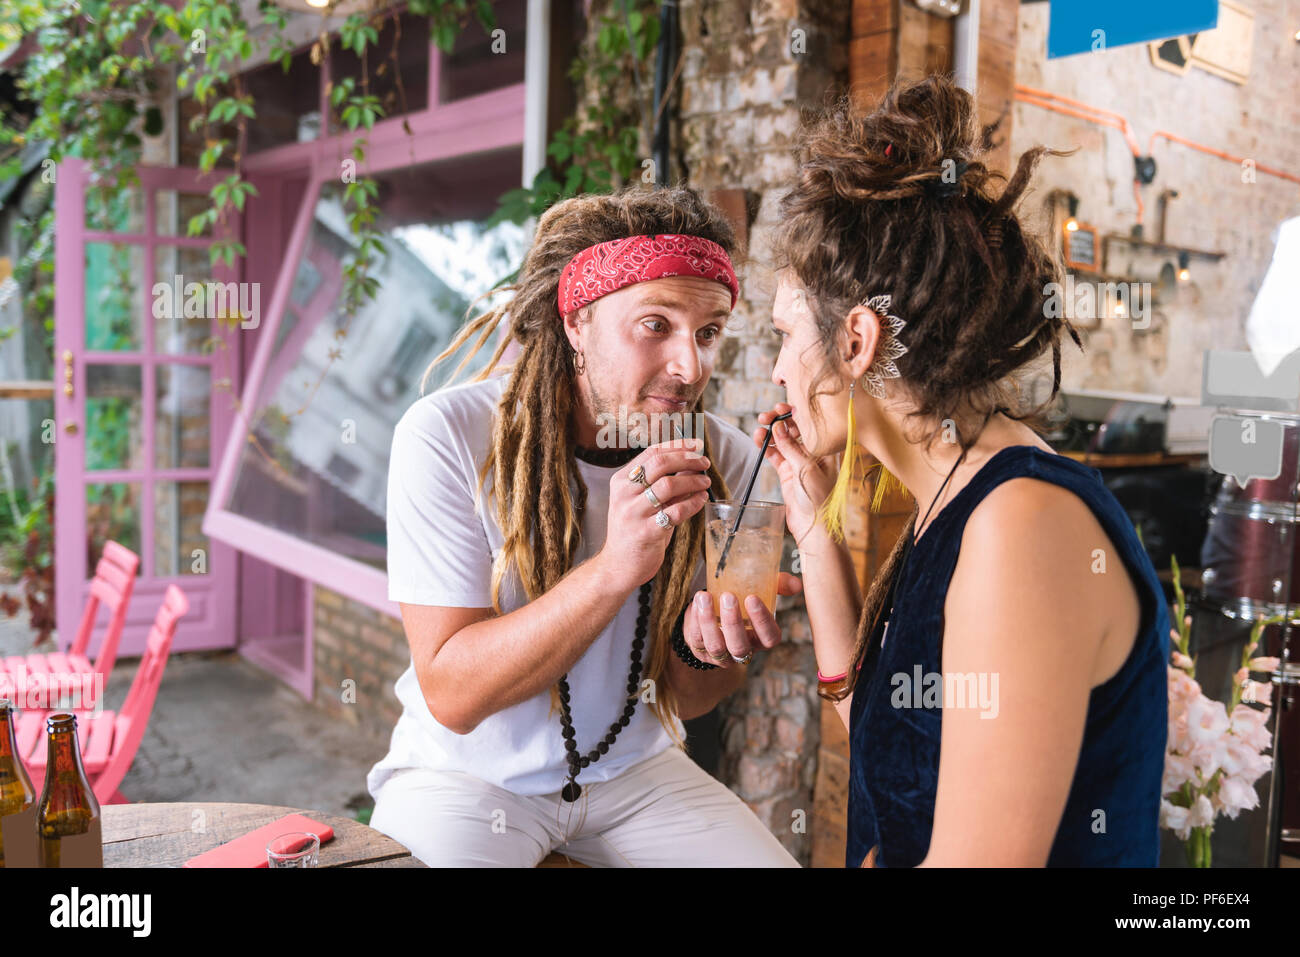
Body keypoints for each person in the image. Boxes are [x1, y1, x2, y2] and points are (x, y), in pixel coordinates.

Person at [747, 75, 1170, 867]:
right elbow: (895, 745)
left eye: (783, 335)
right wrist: (812, 526)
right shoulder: (955, 494)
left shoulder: (1022, 528)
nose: (775, 371)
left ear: (857, 340)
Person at [368, 185, 801, 867]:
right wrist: (613, 569)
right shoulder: (448, 436)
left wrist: (709, 648)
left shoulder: (726, 459)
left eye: (709, 332)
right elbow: (452, 692)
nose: (691, 366)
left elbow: (691, 700)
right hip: (466, 778)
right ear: (578, 323)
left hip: (635, 776)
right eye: (656, 324)